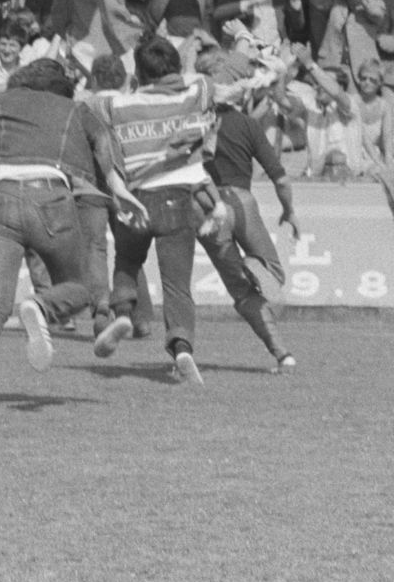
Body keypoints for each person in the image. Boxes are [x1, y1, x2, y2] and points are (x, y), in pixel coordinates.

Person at [0, 57, 147, 414]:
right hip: (50, 197)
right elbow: (103, 140)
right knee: (83, 286)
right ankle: (41, 306)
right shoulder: (74, 109)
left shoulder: (0, 101)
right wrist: (118, 186)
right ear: (62, 85)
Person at [94, 36, 223, 384]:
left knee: (127, 261)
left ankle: (122, 311)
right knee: (177, 285)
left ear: (138, 71)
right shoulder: (191, 94)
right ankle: (181, 347)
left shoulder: (116, 105)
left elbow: (98, 106)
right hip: (176, 199)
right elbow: (207, 82)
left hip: (135, 198)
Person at [204, 96, 300, 371]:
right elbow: (280, 178)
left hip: (208, 208)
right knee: (275, 272)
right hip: (242, 201)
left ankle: (283, 355)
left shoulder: (195, 123)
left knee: (242, 293)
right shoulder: (247, 124)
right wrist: (288, 210)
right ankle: (253, 263)